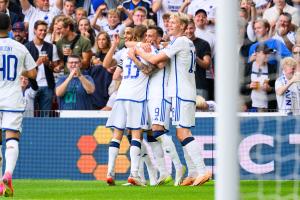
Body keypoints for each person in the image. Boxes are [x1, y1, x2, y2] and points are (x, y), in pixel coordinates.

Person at [135, 12, 211, 186]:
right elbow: (167, 48)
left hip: (181, 92)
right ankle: (192, 173)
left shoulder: (181, 41)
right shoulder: (186, 43)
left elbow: (154, 59)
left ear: (183, 27)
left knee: (183, 132)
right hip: (183, 91)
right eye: (168, 22)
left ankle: (202, 170)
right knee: (180, 132)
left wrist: (138, 50)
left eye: (174, 23)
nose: (169, 25)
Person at [105, 25, 149, 186]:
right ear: (144, 36)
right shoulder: (147, 50)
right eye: (148, 35)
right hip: (136, 97)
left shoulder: (124, 52)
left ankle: (110, 172)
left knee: (117, 135)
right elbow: (148, 70)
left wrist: (117, 45)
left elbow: (109, 66)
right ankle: (134, 174)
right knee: (136, 135)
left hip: (121, 95)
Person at [0, 13, 37, 197]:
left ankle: (0, 182)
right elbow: (33, 73)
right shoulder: (20, 47)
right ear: (10, 29)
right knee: (12, 139)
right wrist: (18, 69)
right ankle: (8, 174)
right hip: (13, 98)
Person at [25, 20, 61, 117]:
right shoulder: (26, 47)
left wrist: (48, 63)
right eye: (40, 30)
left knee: (45, 117)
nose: (43, 32)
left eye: (45, 30)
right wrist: (37, 63)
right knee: (29, 116)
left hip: (47, 85)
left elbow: (55, 68)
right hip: (31, 86)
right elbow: (24, 69)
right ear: (34, 31)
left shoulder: (51, 47)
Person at [240, 44, 278, 112]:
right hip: (250, 107)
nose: (268, 55)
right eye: (265, 53)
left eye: (268, 53)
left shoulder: (272, 68)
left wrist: (269, 89)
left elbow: (277, 89)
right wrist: (249, 86)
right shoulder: (247, 67)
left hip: (267, 108)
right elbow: (238, 87)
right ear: (257, 54)